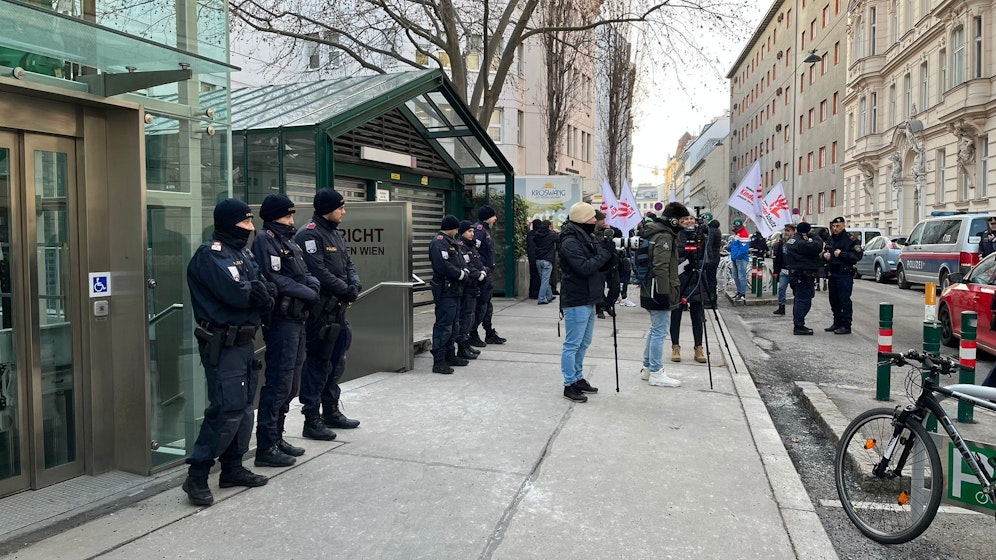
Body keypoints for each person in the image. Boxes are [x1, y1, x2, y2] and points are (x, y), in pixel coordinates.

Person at [183, 198, 272, 506]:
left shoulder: (243, 253)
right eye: (245, 223)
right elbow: (237, 293)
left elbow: (264, 288)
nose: (251, 228)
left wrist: (261, 294)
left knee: (245, 408)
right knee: (226, 408)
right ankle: (197, 474)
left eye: (251, 222)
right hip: (223, 343)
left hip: (245, 342)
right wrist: (257, 294)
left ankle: (233, 467)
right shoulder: (211, 255)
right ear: (228, 224)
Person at [252, 194, 319, 468]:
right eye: (287, 216)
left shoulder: (288, 241)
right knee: (279, 382)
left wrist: (311, 286)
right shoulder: (265, 240)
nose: (292, 221)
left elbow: (305, 273)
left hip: (297, 319)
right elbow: (274, 278)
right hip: (281, 320)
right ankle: (266, 445)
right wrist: (308, 291)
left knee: (291, 383)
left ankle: (278, 437)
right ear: (273, 217)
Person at [295, 188, 362, 442]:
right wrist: (346, 289)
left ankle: (331, 410)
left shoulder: (335, 233)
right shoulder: (309, 235)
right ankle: (311, 419)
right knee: (317, 364)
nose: (344, 211)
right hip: (320, 313)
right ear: (327, 209)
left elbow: (349, 264)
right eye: (340, 207)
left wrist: (354, 284)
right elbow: (318, 272)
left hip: (338, 311)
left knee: (336, 362)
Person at [558, 202, 614, 402]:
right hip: (576, 298)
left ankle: (578, 377)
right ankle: (569, 383)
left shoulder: (586, 236)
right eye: (592, 218)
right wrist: (605, 253)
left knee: (584, 343)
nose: (596, 222)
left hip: (589, 297)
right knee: (572, 344)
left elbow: (599, 265)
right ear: (583, 220)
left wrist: (609, 251)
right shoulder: (570, 241)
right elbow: (584, 267)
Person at [639, 202, 688, 388]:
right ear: (673, 220)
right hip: (658, 290)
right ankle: (657, 372)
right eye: (682, 220)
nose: (684, 224)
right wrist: (665, 294)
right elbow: (661, 267)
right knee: (659, 331)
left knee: (654, 330)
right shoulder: (664, 237)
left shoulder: (655, 232)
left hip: (651, 289)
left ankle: (647, 368)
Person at [429, 215, 472, 374]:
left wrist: (465, 270)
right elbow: (442, 265)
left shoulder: (452, 242)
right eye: (456, 228)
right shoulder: (439, 242)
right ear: (453, 228)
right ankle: (438, 361)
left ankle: (450, 355)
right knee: (444, 325)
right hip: (446, 289)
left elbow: (460, 261)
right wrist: (460, 274)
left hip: (455, 290)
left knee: (454, 324)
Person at [670, 214, 707, 363]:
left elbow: (708, 257)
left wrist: (698, 262)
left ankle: (699, 348)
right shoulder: (675, 237)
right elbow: (672, 258)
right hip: (680, 280)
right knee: (676, 315)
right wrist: (685, 262)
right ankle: (675, 346)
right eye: (684, 219)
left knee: (698, 317)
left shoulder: (701, 237)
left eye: (691, 218)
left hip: (697, 280)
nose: (688, 221)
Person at [469, 205, 506, 346]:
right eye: (493, 216)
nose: (495, 218)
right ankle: (473, 334)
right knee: (480, 306)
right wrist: (481, 271)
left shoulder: (485, 230)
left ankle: (489, 333)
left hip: (487, 275)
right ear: (487, 217)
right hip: (482, 276)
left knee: (487, 306)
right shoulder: (479, 230)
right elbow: (474, 252)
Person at [822, 216, 863, 335]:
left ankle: (846, 325)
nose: (835, 228)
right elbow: (826, 250)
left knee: (844, 300)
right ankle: (837, 322)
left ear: (843, 226)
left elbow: (857, 256)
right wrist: (825, 255)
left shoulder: (851, 239)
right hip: (833, 272)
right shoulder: (831, 239)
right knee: (833, 300)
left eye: (838, 226)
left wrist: (842, 254)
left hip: (845, 273)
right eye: (833, 226)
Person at [784, 222, 824, 335]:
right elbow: (818, 246)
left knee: (799, 300)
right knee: (803, 301)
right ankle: (799, 326)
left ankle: (799, 324)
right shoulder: (801, 243)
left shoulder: (792, 241)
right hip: (802, 276)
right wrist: (815, 235)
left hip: (796, 275)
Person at [455, 220, 484, 360]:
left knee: (470, 316)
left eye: (473, 231)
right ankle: (462, 346)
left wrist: (483, 271)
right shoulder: (461, 246)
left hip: (474, 287)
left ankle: (466, 344)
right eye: (469, 231)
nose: (472, 233)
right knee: (465, 316)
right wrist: (478, 274)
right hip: (467, 287)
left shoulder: (471, 246)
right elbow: (466, 265)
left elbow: (478, 263)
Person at [771, 223, 796, 316]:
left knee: (795, 290)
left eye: (788, 231)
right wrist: (776, 271)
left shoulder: (796, 242)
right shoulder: (782, 242)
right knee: (781, 289)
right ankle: (781, 306)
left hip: (793, 271)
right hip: (784, 270)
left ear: (793, 231)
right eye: (785, 230)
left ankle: (797, 308)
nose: (786, 232)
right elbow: (778, 257)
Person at [534, 219, 558, 305]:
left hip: (538, 260)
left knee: (544, 280)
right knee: (545, 280)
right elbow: (558, 237)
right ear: (548, 226)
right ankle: (541, 299)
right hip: (547, 260)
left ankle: (549, 296)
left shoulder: (537, 234)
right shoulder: (551, 235)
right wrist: (553, 228)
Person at [727, 219, 750, 300]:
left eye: (734, 226)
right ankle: (739, 292)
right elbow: (735, 245)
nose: (733, 227)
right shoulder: (738, 233)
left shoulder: (743, 234)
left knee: (741, 277)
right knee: (736, 277)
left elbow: (744, 249)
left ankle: (742, 293)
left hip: (740, 259)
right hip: (736, 258)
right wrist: (728, 247)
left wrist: (736, 255)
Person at [703, 217, 722, 308]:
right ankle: (711, 299)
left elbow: (708, 244)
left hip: (711, 258)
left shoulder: (711, 231)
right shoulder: (715, 230)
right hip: (715, 257)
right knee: (712, 279)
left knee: (710, 280)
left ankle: (711, 300)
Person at [526, 218, 541, 299]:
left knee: (532, 275)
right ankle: (537, 293)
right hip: (538, 256)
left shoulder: (529, 234)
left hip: (531, 257)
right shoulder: (539, 234)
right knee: (538, 276)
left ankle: (532, 292)